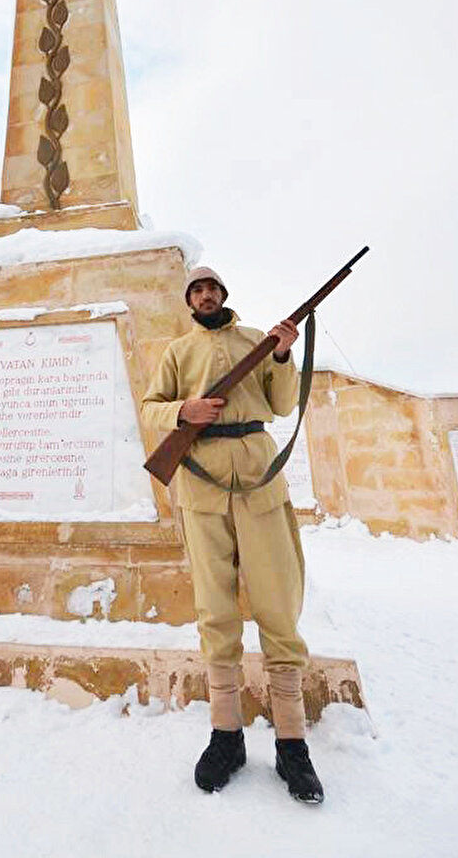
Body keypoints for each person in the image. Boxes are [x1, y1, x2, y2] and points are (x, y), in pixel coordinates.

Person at [141, 267, 324, 804]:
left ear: (223, 295)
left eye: (212, 288)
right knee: (214, 606)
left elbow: (282, 402)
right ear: (188, 300)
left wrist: (284, 353)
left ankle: (292, 743)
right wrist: (184, 411)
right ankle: (226, 734)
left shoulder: (255, 342)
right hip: (200, 482)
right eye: (196, 290)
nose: (205, 295)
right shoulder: (177, 351)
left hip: (258, 473)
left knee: (277, 600)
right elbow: (152, 408)